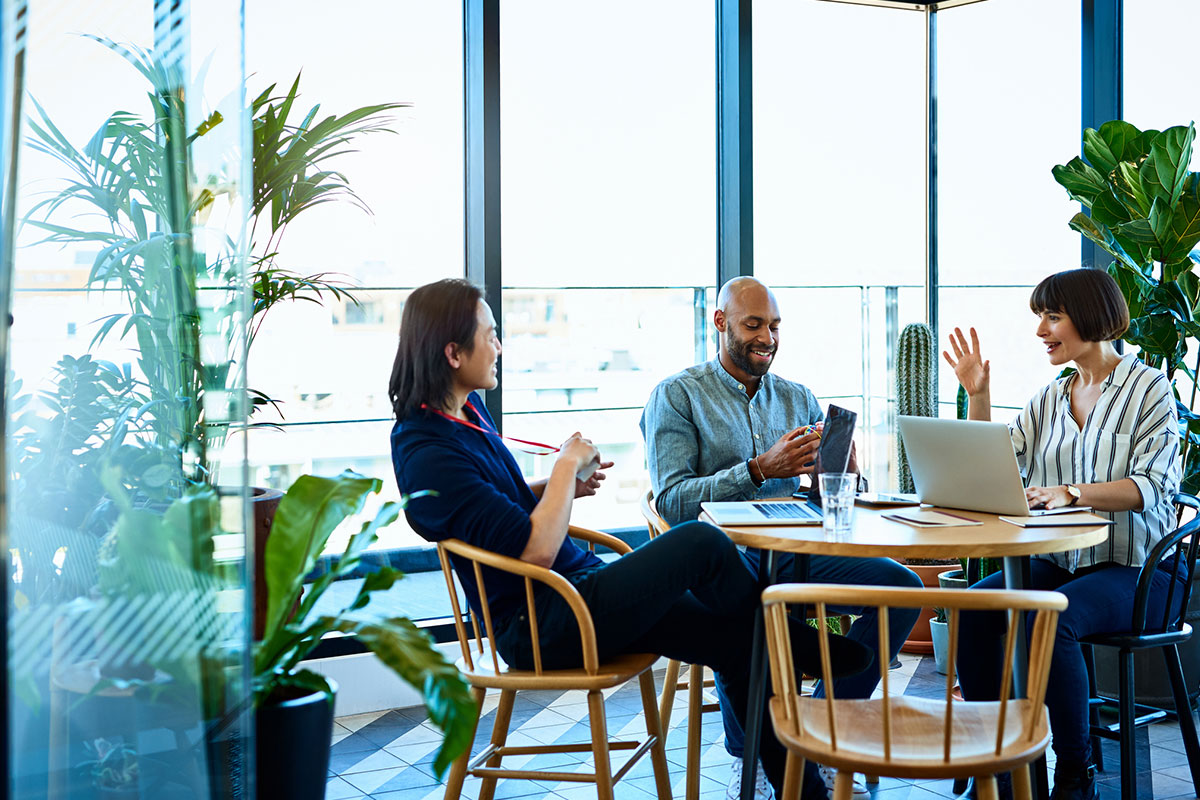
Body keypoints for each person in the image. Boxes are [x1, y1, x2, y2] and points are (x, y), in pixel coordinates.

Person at [388, 278, 873, 798]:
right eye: (491, 335)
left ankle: (803, 787)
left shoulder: (464, 416)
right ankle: (790, 639)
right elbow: (533, 549)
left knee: (740, 643)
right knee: (700, 543)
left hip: (577, 588)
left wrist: (560, 485)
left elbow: (496, 502)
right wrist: (561, 469)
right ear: (453, 352)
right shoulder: (426, 449)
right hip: (541, 622)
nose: (500, 346)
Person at [640, 276, 922, 800]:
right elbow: (673, 501)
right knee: (747, 609)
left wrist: (844, 476)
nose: (766, 336)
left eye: (773, 326)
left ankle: (819, 730)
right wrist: (757, 469)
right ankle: (761, 759)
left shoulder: (797, 398)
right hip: (719, 562)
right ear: (720, 323)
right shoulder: (677, 396)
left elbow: (829, 499)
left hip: (798, 550)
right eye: (753, 325)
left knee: (902, 590)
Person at [944, 268, 1184, 800]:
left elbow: (1153, 486)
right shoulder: (1051, 397)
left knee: (1052, 618)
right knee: (974, 611)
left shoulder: (1149, 389)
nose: (1041, 331)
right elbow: (998, 465)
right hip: (1069, 563)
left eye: (1052, 317)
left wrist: (1073, 492)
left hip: (1141, 570)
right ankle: (994, 754)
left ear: (1090, 317)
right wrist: (978, 396)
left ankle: (1075, 774)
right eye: (1040, 318)